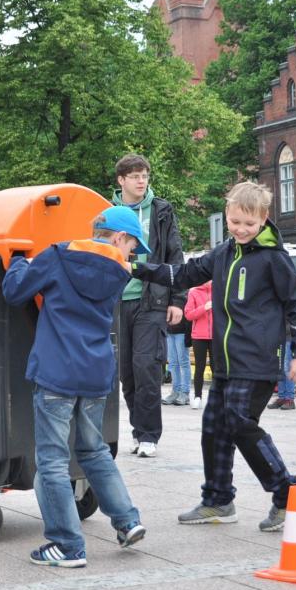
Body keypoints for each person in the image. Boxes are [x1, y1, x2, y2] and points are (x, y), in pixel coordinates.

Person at [134, 181, 296, 532]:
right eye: (234, 222)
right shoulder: (224, 253)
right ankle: (218, 500)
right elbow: (181, 273)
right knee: (214, 428)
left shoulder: (274, 258)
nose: (241, 229)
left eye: (248, 223)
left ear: (263, 218)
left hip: (257, 360)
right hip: (226, 363)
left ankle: (287, 494)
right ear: (227, 217)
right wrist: (136, 267)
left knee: (240, 425)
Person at [2, 206, 147, 567]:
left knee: (51, 460)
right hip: (95, 373)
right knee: (93, 450)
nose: (131, 254)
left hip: (58, 371)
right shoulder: (119, 272)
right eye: (133, 245)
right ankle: (127, 521)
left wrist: (19, 260)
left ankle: (66, 545)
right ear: (117, 237)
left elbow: (15, 291)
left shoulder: (57, 255)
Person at [112, 153, 186, 458]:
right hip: (117, 301)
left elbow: (175, 256)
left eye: (145, 176)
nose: (142, 181)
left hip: (152, 299)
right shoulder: (107, 213)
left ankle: (149, 435)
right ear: (121, 181)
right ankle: (137, 428)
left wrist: (177, 299)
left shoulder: (161, 211)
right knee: (126, 372)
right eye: (135, 176)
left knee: (147, 367)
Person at [185, 281, 213, 411]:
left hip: (216, 336)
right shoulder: (193, 291)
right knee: (199, 367)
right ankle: (197, 397)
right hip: (198, 336)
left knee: (217, 368)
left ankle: (217, 398)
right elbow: (188, 315)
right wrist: (204, 308)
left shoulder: (219, 289)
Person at [162, 311, 192, 406]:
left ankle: (185, 393)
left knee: (183, 362)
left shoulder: (185, 296)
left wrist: (188, 336)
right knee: (172, 363)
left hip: (182, 332)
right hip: (169, 332)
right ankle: (175, 391)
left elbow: (188, 315)